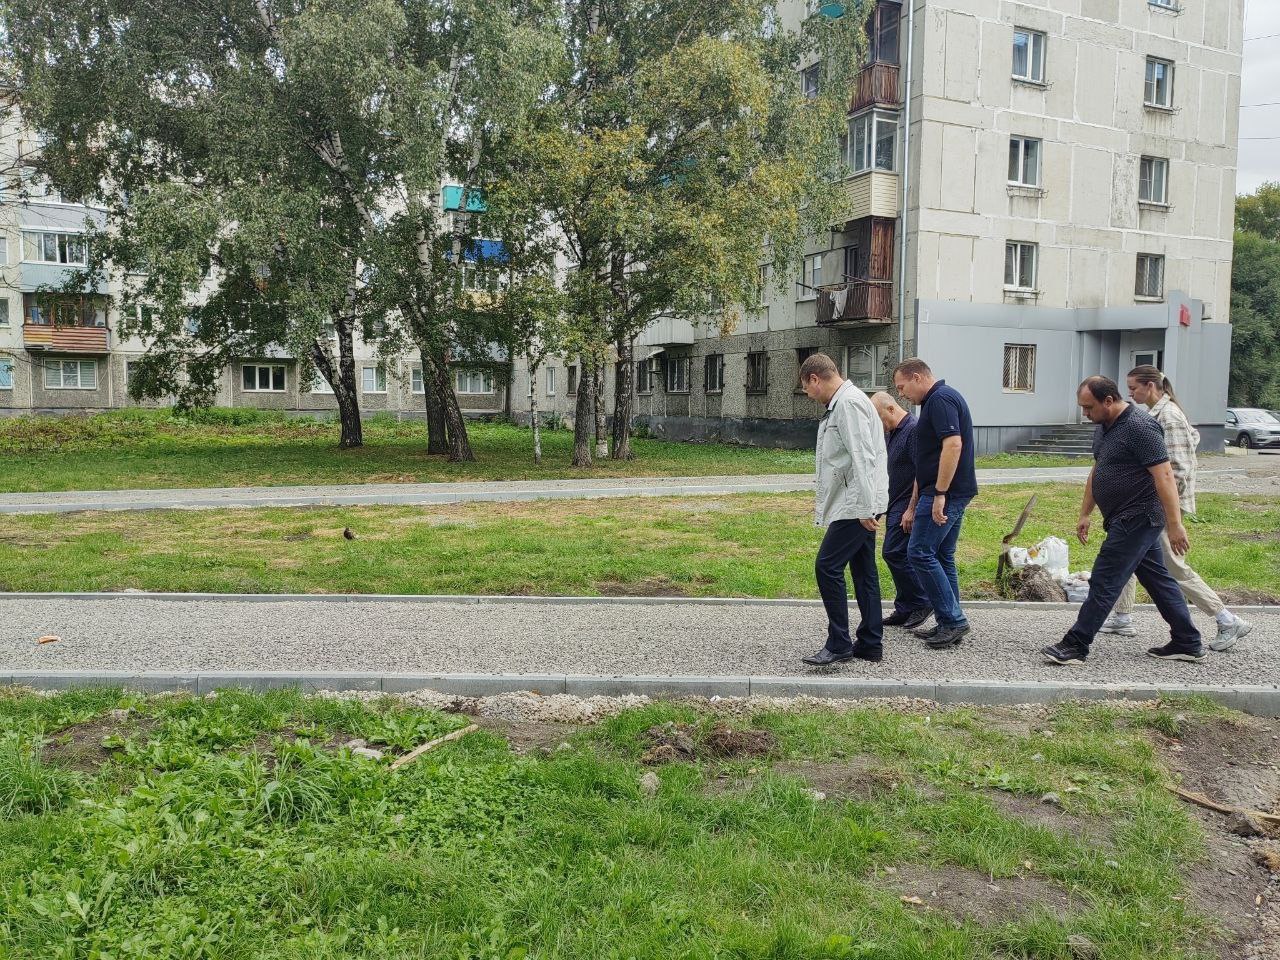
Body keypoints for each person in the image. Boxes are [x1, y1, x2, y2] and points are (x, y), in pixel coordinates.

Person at [1041, 376, 1205, 665]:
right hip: (1121, 516)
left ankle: (1076, 645)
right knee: (1158, 580)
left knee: (1105, 579)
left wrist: (1176, 523)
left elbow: (1165, 475)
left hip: (1139, 516)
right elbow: (1098, 469)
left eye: (1088, 407)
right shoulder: (1103, 427)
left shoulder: (1141, 427)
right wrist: (1085, 512)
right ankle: (1187, 641)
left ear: (1108, 401)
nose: (1085, 414)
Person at [1100, 366, 1253, 651]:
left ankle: (1226, 619)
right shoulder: (1154, 414)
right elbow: (1191, 439)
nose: (1130, 394)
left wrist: (1170, 517)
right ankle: (1122, 616)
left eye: (1134, 388)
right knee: (1128, 554)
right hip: (1146, 505)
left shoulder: (1169, 416)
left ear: (1151, 386)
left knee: (1173, 566)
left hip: (1160, 507)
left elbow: (1178, 470)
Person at [799, 353, 889, 666]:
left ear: (815, 378)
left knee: (827, 566)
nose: (810, 396)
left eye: (808, 389)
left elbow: (864, 457)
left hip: (857, 505)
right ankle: (870, 643)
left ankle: (839, 642)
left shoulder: (848, 404)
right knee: (864, 571)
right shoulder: (846, 402)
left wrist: (866, 506)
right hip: (861, 501)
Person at [891, 358, 978, 649]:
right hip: (943, 490)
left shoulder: (940, 399)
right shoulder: (936, 401)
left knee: (920, 552)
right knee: (942, 555)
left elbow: (953, 444)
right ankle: (949, 620)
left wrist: (940, 492)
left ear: (917, 377)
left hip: (945, 492)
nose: (902, 394)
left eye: (902, 387)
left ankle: (953, 621)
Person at [871, 391, 931, 628]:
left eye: (878, 418)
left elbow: (921, 471)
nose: (878, 425)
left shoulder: (913, 430)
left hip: (906, 503)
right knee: (898, 555)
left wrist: (912, 509)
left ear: (891, 410)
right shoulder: (891, 432)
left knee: (894, 553)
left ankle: (922, 601)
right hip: (892, 502)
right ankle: (904, 607)